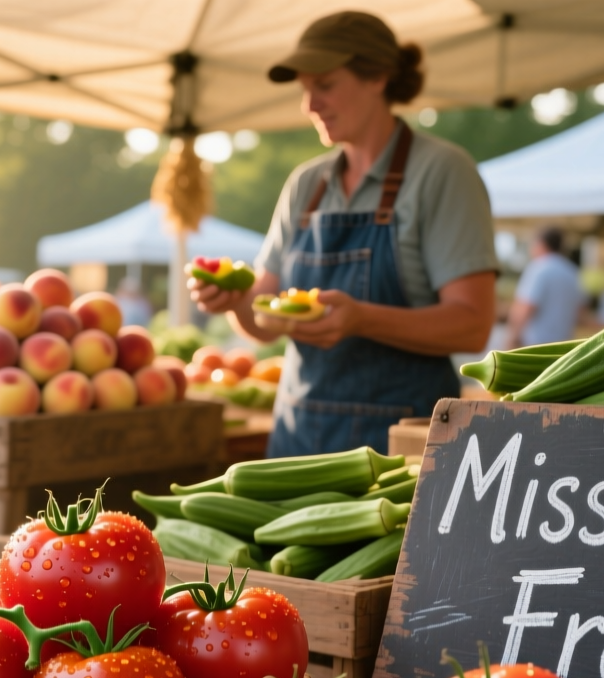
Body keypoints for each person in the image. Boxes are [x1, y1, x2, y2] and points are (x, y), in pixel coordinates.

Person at [188, 11, 496, 456]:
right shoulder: (305, 185)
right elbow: (263, 320)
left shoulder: (442, 172)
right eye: (305, 89)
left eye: (325, 85)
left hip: (401, 451)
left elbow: (473, 324)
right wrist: (234, 301)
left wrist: (361, 318)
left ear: (378, 77)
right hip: (297, 436)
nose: (309, 105)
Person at [504, 227, 584, 349]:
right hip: (564, 347)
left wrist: (512, 339)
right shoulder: (573, 272)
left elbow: (525, 308)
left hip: (536, 346)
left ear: (541, 244)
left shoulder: (538, 267)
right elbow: (580, 313)